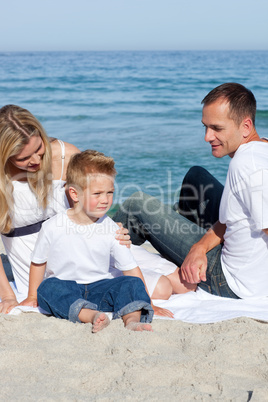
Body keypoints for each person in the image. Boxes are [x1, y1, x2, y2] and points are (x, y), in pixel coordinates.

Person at [113, 83, 268, 299]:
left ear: (246, 126)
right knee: (196, 177)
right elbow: (235, 218)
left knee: (136, 206)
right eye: (205, 126)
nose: (207, 136)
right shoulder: (263, 147)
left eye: (217, 128)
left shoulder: (246, 164)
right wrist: (199, 247)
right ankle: (181, 251)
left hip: (229, 280)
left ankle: (92, 253)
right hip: (243, 258)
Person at [0, 105, 130, 314]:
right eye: (23, 158)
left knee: (167, 286)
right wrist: (7, 296)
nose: (35, 161)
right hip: (36, 273)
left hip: (87, 255)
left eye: (38, 149)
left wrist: (110, 226)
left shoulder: (65, 155)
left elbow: (92, 201)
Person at [21, 150, 153, 332]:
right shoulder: (53, 226)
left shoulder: (112, 228)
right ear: (75, 194)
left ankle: (131, 321)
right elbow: (38, 262)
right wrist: (31, 295)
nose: (105, 200)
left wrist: (147, 300)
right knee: (47, 288)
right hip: (66, 286)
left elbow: (130, 269)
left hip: (101, 287)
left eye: (110, 193)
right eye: (97, 194)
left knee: (132, 283)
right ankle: (91, 316)